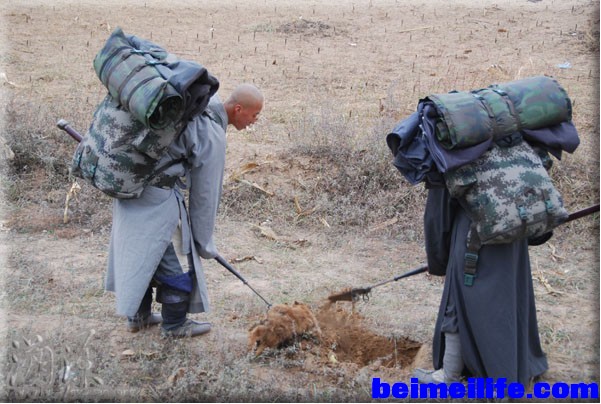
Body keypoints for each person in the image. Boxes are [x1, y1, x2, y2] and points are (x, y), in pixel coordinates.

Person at [105, 83, 264, 338]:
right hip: (156, 198)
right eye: (255, 115)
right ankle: (175, 324)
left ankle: (138, 316)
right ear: (238, 109)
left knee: (138, 251)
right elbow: (205, 196)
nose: (255, 121)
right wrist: (204, 242)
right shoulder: (211, 132)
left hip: (130, 184)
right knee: (176, 260)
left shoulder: (200, 107)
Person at [412, 185, 549, 388]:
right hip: (512, 233)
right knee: (510, 297)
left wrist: (441, 260)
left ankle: (449, 376)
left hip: (474, 235)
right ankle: (520, 366)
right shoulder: (511, 159)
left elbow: (439, 211)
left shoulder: (453, 161)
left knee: (457, 301)